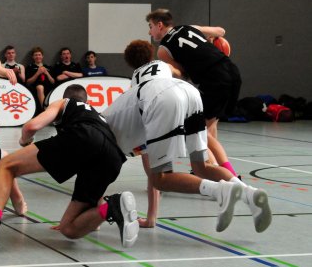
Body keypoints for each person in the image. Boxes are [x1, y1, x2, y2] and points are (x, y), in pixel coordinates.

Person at [103, 40, 271, 232]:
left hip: (162, 100)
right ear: (150, 54)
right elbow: (181, 72)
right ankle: (250, 193)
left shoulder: (135, 80)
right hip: (190, 94)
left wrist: (150, 217)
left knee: (158, 176)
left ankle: (222, 191)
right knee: (203, 166)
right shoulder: (164, 65)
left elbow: (152, 173)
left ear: (131, 63)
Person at [0, 85, 139, 253]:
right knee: (69, 228)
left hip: (84, 137)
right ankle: (111, 208)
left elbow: (31, 126)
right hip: (113, 158)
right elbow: (98, 156)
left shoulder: (65, 103)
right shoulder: (98, 117)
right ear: (88, 101)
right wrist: (96, 212)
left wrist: (24, 141)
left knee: (6, 165)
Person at [146, 9, 241, 178]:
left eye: (151, 26)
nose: (149, 31)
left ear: (159, 25)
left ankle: (225, 173)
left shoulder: (163, 50)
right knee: (210, 125)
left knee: (199, 128)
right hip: (231, 70)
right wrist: (211, 40)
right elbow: (221, 31)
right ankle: (213, 168)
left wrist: (169, 69)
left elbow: (183, 74)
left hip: (214, 79)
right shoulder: (189, 27)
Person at [25, 46, 55, 112]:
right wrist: (37, 73)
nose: (38, 57)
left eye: (39, 55)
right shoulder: (30, 67)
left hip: (48, 87)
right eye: (35, 55)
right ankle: (45, 110)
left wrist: (47, 73)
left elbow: (53, 82)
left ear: (42, 56)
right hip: (36, 87)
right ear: (33, 57)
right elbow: (28, 82)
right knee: (40, 87)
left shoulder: (48, 67)